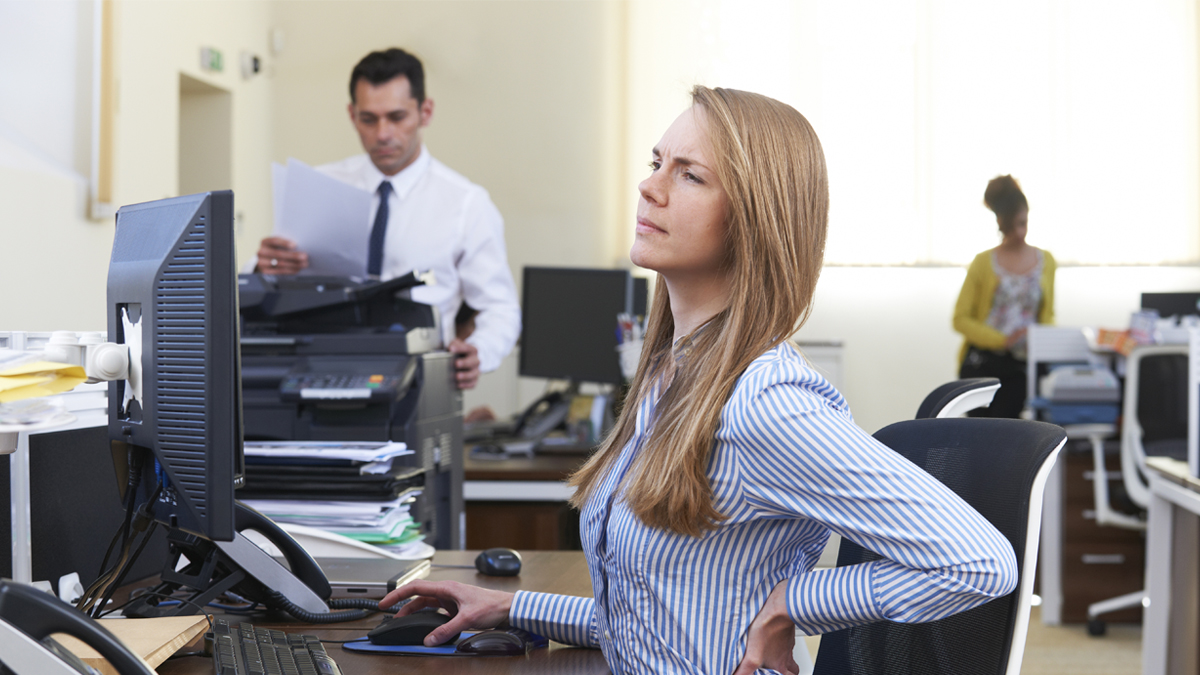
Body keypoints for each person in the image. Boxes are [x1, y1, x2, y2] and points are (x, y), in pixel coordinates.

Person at [381, 87, 1018, 674]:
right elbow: (660, 623)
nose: (649, 187)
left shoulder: (765, 404)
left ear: (753, 218)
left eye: (689, 175)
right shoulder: (671, 377)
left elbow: (977, 561)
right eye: (656, 162)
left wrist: (794, 604)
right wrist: (510, 607)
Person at [253, 48, 520, 390]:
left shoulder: (467, 204)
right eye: (369, 119)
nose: (382, 134)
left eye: (396, 117)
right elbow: (260, 280)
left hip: (419, 384)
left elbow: (501, 308)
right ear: (351, 115)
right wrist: (266, 267)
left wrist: (480, 351)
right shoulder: (319, 188)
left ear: (425, 112)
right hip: (320, 375)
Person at [953, 175, 1056, 418]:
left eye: (1023, 223)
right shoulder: (982, 263)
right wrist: (1004, 340)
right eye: (1013, 226)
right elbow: (960, 319)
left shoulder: (1046, 261)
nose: (1019, 232)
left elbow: (1048, 316)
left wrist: (1039, 339)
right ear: (1000, 223)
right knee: (982, 433)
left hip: (1024, 366)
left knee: (1011, 430)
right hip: (984, 362)